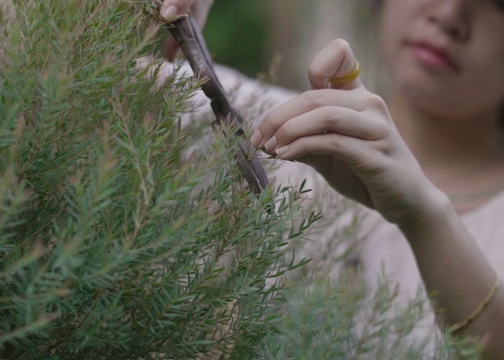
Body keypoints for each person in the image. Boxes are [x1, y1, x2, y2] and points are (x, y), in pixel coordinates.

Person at [159, 0, 504, 357]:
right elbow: (107, 92)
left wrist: (427, 216)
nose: (449, 15)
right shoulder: (254, 121)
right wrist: (137, 18)